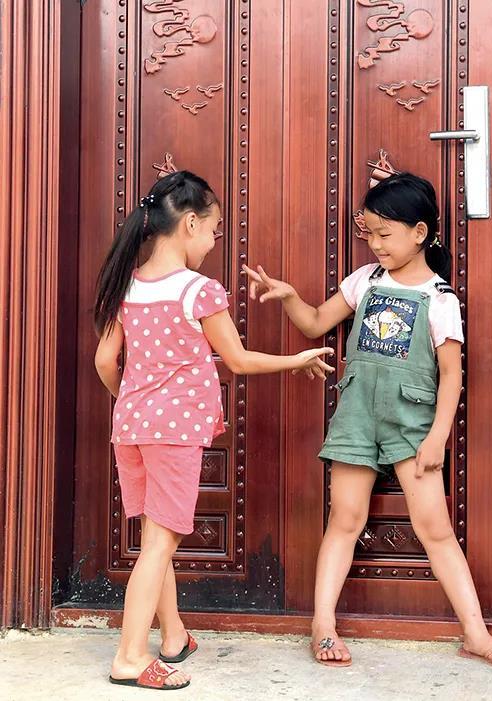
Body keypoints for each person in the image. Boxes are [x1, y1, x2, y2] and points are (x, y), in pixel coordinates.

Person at [243, 172, 492, 671]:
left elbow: (452, 375)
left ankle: (476, 634)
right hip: (357, 417)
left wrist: (437, 437)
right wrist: (287, 296)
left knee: (436, 529)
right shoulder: (365, 281)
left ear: (419, 233)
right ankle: (323, 626)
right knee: (344, 521)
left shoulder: (441, 298)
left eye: (384, 234)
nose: (375, 244)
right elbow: (315, 322)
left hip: (412, 425)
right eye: (369, 233)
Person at [94, 171, 334, 690]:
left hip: (131, 427)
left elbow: (105, 361)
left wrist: (132, 403)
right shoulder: (199, 290)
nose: (213, 241)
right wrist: (296, 359)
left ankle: (173, 635)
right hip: (174, 433)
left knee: (153, 537)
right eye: (213, 230)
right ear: (189, 223)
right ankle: (130, 658)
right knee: (161, 542)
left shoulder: (127, 285)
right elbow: (239, 360)